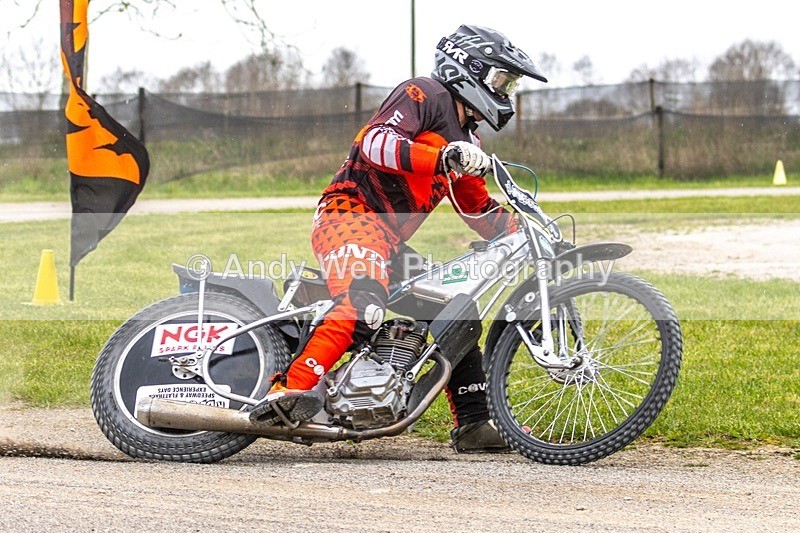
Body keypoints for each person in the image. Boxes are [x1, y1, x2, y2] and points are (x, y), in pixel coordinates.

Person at [250, 25, 547, 452]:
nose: (505, 91)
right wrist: (441, 154)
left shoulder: (468, 141)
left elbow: (477, 209)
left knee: (455, 311)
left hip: (387, 239)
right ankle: (283, 394)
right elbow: (375, 142)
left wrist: (527, 231)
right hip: (349, 213)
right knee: (362, 298)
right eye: (501, 80)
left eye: (510, 84)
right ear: (470, 68)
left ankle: (474, 424)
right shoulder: (423, 95)